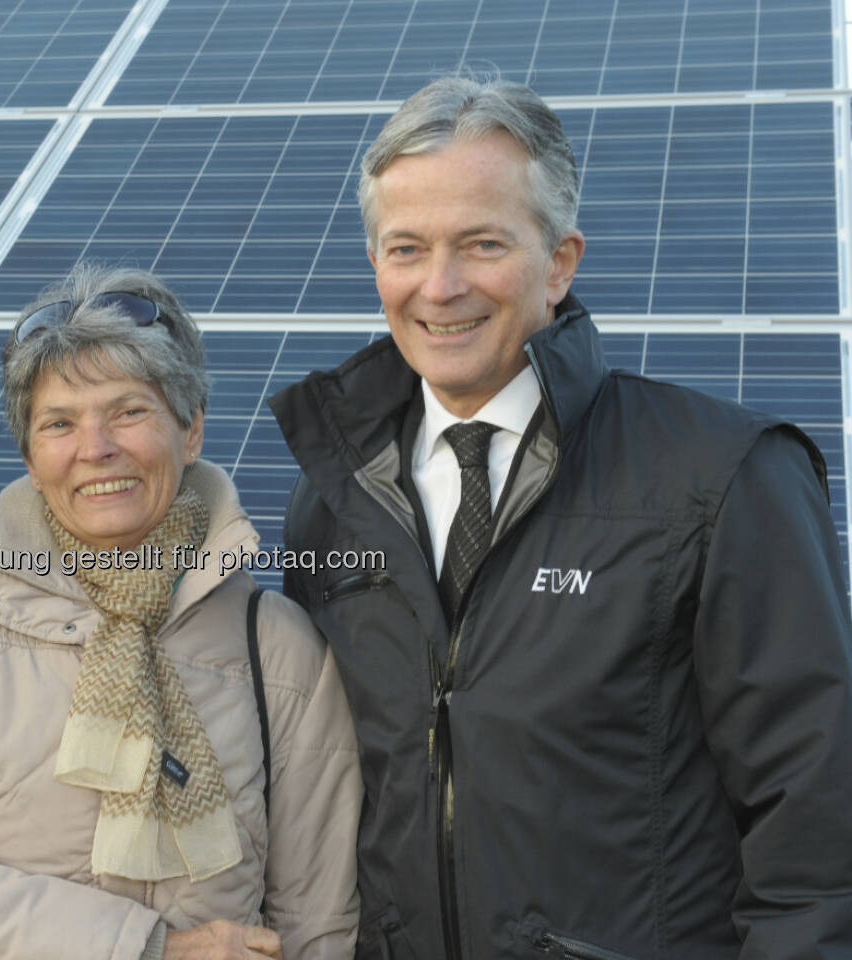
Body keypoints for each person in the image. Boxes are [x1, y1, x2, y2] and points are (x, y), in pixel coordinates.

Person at [268, 76, 852, 959]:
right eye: (406, 249)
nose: (441, 285)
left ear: (561, 261)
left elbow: (815, 815)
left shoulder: (722, 479)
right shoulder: (333, 502)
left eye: (482, 243)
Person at [0, 265, 360, 960]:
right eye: (59, 423)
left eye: (129, 411)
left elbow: (316, 925)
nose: (96, 448)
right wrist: (151, 950)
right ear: (29, 456)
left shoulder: (278, 647)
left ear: (192, 429)